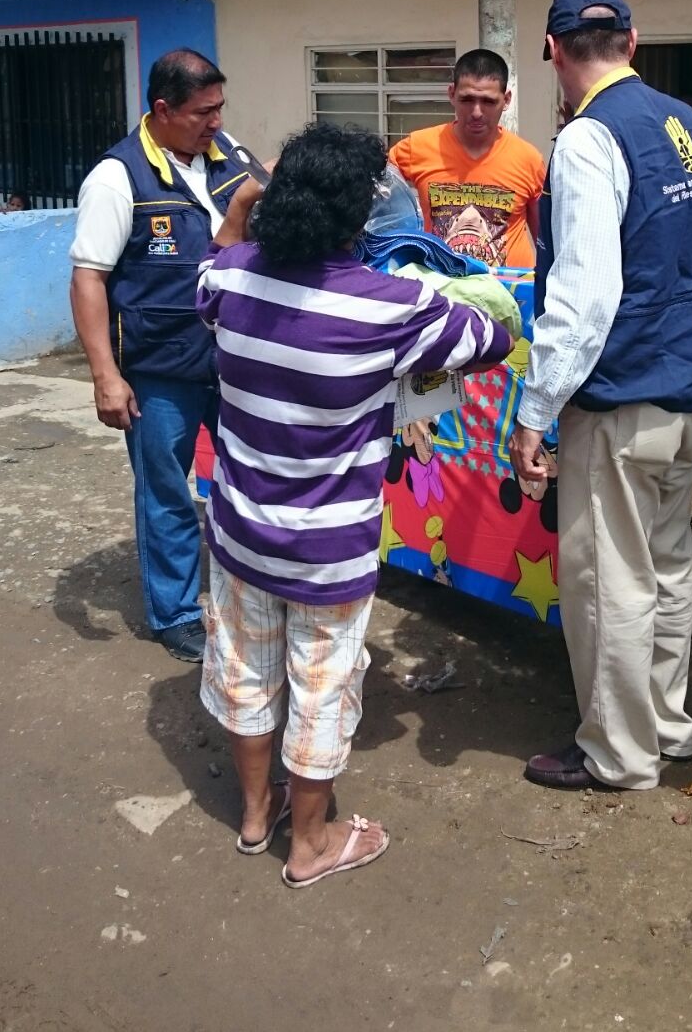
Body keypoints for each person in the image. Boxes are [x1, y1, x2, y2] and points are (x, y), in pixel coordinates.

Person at [196, 124, 512, 887]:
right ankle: (310, 843)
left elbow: (210, 266)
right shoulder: (391, 307)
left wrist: (239, 205)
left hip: (239, 531)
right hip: (328, 549)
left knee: (244, 669)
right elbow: (493, 337)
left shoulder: (231, 281)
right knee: (322, 684)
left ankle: (254, 813)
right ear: (359, 216)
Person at [509, 0, 692, 793]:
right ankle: (665, 723)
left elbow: (583, 297)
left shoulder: (588, 139)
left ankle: (618, 753)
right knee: (667, 563)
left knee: (608, 580)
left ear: (552, 51)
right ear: (633, 39)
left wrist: (534, 410)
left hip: (624, 396)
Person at [70, 49, 250, 662]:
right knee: (167, 491)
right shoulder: (116, 178)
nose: (216, 122)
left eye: (220, 108)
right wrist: (105, 376)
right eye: (203, 112)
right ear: (163, 109)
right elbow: (89, 278)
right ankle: (175, 613)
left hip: (233, 360)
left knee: (248, 479)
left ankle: (248, 594)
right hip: (158, 370)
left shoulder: (230, 157)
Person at [389, 48, 545, 269]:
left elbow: (545, 242)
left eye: (488, 102)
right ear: (452, 94)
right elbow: (375, 203)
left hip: (509, 288)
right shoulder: (417, 148)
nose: (477, 112)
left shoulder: (528, 159)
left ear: (506, 99)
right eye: (467, 99)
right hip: (441, 287)